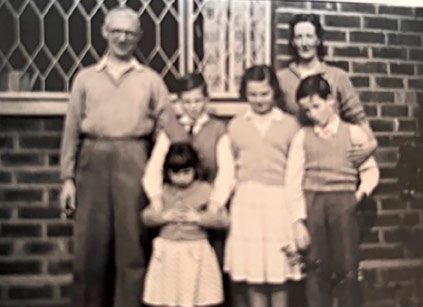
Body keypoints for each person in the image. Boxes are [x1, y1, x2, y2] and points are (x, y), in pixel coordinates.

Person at [59, 7, 179, 307]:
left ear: (138, 37)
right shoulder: (86, 78)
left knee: (132, 246)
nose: (122, 38)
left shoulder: (150, 79)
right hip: (93, 159)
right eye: (116, 31)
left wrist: (185, 171)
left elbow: (170, 126)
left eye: (129, 33)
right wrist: (67, 179)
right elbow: (71, 129)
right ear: (104, 32)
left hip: (134, 158)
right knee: (90, 249)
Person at [286, 74, 379, 307]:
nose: (312, 114)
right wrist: (298, 221)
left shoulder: (353, 133)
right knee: (316, 271)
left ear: (331, 101)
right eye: (306, 110)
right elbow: (293, 181)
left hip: (344, 206)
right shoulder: (302, 137)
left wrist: (358, 196)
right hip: (314, 205)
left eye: (316, 106)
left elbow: (370, 171)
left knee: (348, 269)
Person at [221, 65, 310, 307]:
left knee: (278, 272)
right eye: (253, 94)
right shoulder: (236, 126)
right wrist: (217, 204)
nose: (259, 100)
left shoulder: (290, 125)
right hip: (246, 204)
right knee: (253, 274)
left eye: (264, 94)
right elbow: (228, 173)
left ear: (274, 93)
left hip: (278, 204)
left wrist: (297, 217)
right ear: (245, 94)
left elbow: (295, 175)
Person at [277, 13, 377, 165]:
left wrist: (371, 143)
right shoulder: (282, 78)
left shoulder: (337, 76)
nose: (304, 43)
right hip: (295, 155)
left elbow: (357, 117)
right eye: (299, 37)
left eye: (309, 36)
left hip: (330, 155)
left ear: (317, 40)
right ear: (293, 42)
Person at [141, 142, 229, 307]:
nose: (181, 178)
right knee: (169, 297)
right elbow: (146, 217)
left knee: (193, 297)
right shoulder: (164, 192)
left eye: (186, 172)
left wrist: (199, 218)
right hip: (168, 252)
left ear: (195, 170)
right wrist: (163, 216)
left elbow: (223, 219)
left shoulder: (204, 190)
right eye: (175, 173)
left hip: (194, 250)